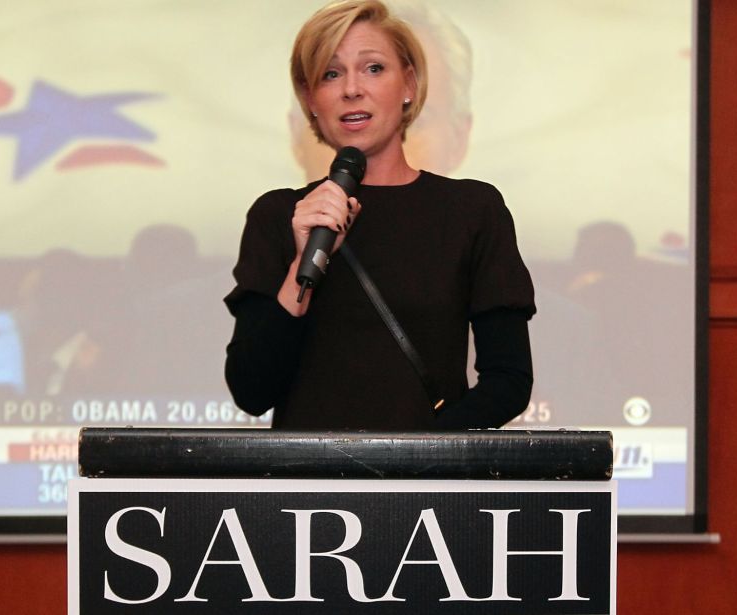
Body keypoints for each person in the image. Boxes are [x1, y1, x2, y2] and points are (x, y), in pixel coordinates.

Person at [224, 0, 535, 430]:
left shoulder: (472, 211)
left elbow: (509, 380)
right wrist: (301, 265)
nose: (352, 89)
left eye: (373, 68)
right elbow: (251, 392)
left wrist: (418, 459)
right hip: (306, 490)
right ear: (310, 99)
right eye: (331, 74)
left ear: (408, 84)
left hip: (425, 489)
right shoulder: (279, 215)